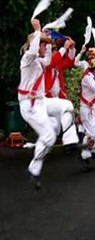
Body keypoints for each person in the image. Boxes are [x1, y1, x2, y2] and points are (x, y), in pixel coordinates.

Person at [18, 19, 79, 189]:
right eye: (44, 45)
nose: (46, 47)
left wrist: (50, 41)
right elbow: (32, 51)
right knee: (49, 137)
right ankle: (34, 168)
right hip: (29, 105)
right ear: (36, 45)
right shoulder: (27, 60)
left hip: (41, 102)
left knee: (66, 105)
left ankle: (70, 141)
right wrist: (38, 32)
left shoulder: (39, 61)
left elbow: (48, 60)